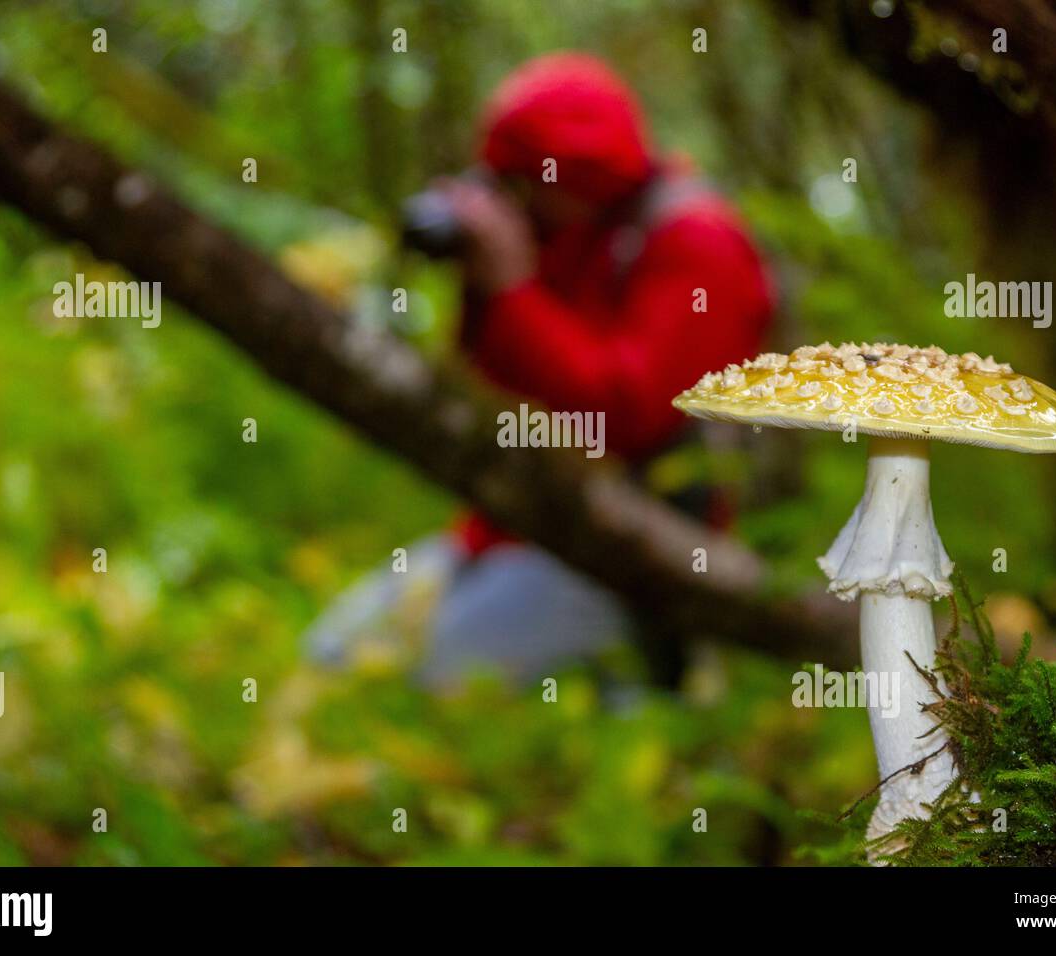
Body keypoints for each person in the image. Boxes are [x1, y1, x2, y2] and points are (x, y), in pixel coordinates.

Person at [306, 52, 776, 686]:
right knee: (332, 655)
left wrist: (513, 290)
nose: (512, 198)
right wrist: (482, 291)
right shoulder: (561, 232)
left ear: (580, 176)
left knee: (420, 680)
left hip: (628, 556)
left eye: (526, 180)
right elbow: (486, 395)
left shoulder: (695, 241)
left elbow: (627, 419)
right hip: (513, 529)